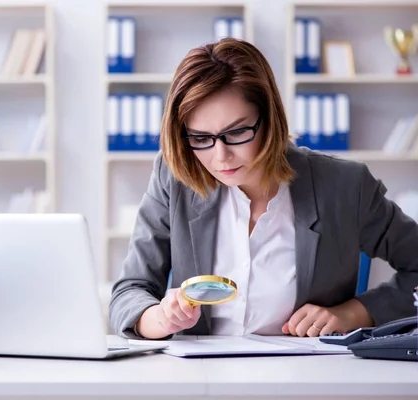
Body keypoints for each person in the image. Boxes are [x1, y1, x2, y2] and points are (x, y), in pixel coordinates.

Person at [108, 38, 418, 340]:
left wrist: (354, 313)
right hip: (199, 381)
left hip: (306, 380)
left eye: (238, 131)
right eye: (200, 138)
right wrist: (160, 318)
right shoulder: (173, 176)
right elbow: (129, 291)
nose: (220, 156)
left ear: (269, 119)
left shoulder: (345, 186)